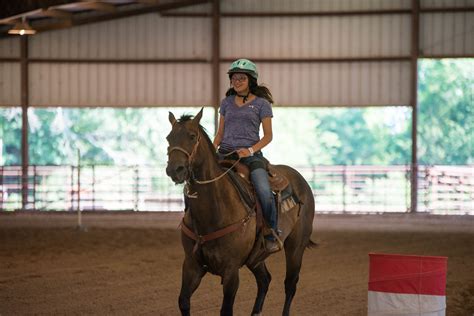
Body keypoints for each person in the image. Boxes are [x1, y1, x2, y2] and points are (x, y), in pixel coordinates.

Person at [213, 58, 281, 253]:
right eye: (234, 78)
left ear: (251, 80)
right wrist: (212, 149)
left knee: (264, 191)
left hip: (251, 156)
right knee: (197, 181)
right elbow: (220, 133)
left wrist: (250, 150)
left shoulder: (262, 104)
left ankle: (270, 232)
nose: (237, 81)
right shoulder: (226, 103)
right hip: (225, 153)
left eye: (242, 78)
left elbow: (268, 136)